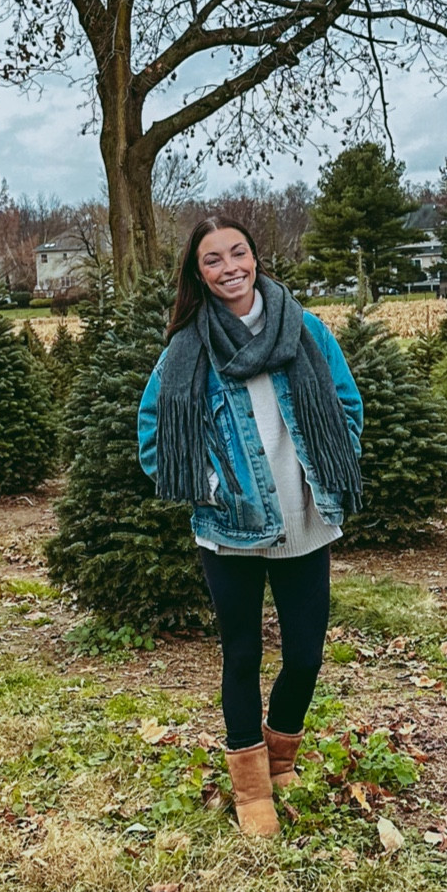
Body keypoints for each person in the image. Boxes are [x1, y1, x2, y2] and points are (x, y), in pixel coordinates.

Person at [138, 219, 363, 838]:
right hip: (228, 530)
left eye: (238, 252)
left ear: (256, 257)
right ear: (198, 274)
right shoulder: (185, 350)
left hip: (302, 518)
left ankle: (282, 755)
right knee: (241, 655)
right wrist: (214, 489)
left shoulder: (307, 329)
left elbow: (347, 405)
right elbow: (155, 438)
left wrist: (332, 462)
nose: (229, 266)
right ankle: (250, 785)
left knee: (306, 656)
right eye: (213, 259)